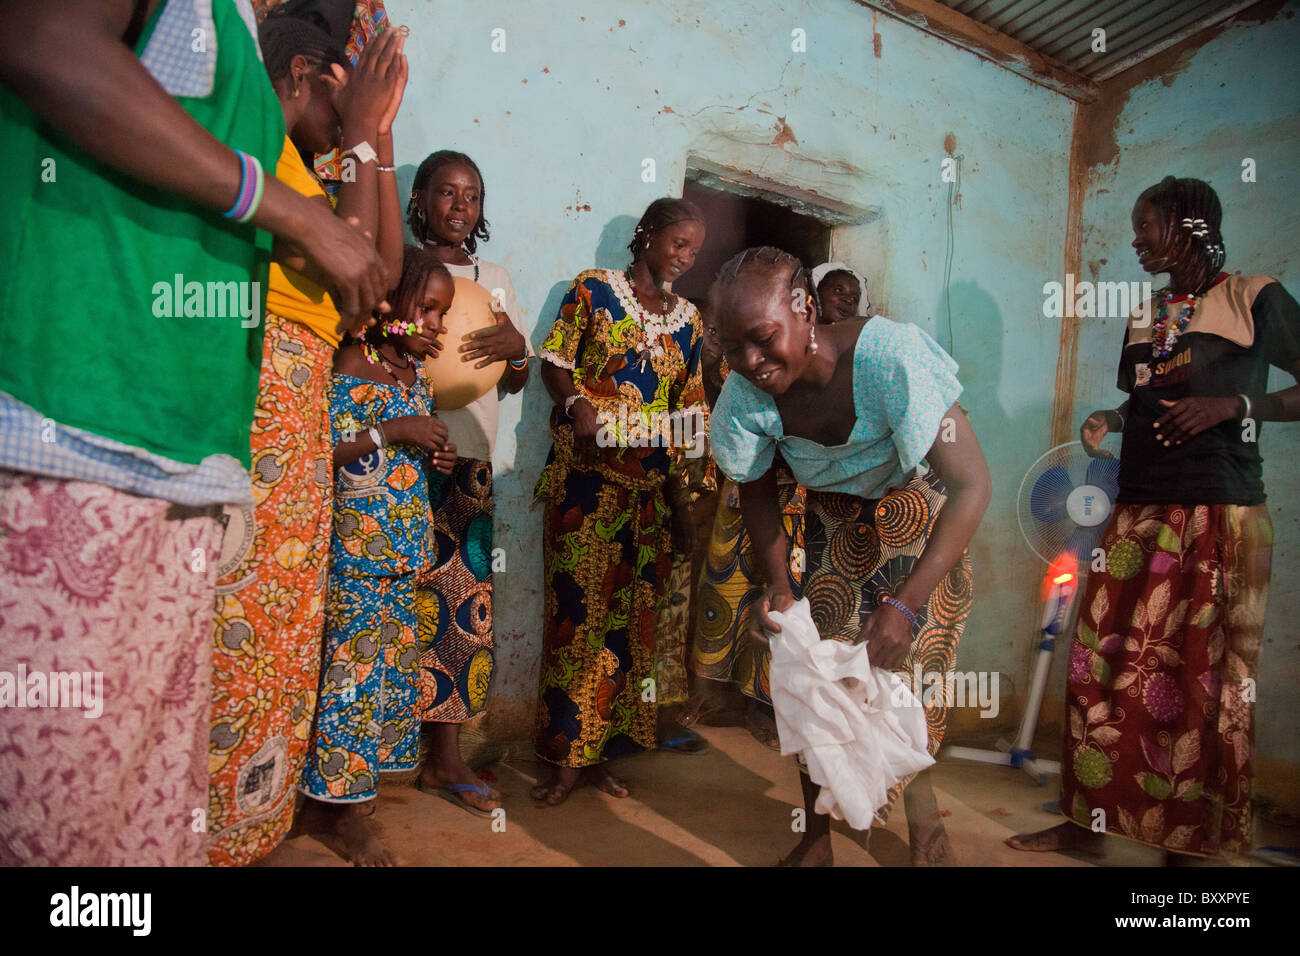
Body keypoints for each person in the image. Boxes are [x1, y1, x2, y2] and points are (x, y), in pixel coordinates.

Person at [0, 0, 386, 867]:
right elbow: (41, 40)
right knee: (52, 824)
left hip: (179, 464)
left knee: (136, 824)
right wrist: (289, 211)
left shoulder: (239, 36)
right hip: (69, 434)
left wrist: (292, 220)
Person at [1008, 177, 1300, 861]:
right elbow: (1146, 398)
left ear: (1190, 225)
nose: (1136, 239)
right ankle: (1087, 829)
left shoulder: (1252, 297)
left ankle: (1188, 844)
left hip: (1218, 515)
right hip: (1137, 513)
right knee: (1097, 666)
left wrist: (1237, 407)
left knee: (1202, 680)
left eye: (1148, 225)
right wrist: (1109, 418)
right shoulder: (1150, 311)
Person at [709, 246, 990, 866]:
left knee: (905, 691)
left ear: (805, 310)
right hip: (834, 528)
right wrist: (779, 586)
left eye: (762, 339)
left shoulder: (891, 358)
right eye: (733, 350)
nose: (750, 364)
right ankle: (815, 842)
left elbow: (972, 485)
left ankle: (923, 826)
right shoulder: (744, 396)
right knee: (818, 682)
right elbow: (756, 493)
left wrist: (905, 605)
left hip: (920, 523)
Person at [207, 10, 407, 866]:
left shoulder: (308, 172)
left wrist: (376, 145)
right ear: (298, 74)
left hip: (298, 432)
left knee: (284, 631)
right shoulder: (252, 149)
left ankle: (249, 826)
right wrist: (359, 138)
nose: (344, 131)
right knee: (234, 627)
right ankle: (203, 832)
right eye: (340, 104)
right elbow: (351, 260)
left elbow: (381, 277)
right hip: (258, 419)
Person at [530, 197, 707, 804]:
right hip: (587, 485)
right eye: (678, 243)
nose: (685, 258)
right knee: (575, 623)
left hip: (651, 499)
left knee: (632, 634)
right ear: (647, 235)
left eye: (694, 250)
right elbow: (553, 362)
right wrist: (575, 402)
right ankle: (564, 759)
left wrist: (682, 498)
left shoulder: (690, 322)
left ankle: (603, 756)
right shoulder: (593, 291)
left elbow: (692, 412)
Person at [296, 244, 456, 865]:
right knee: (349, 679)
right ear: (393, 306)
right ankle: (343, 818)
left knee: (384, 680)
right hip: (355, 554)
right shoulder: (349, 363)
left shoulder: (420, 380)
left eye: (442, 315)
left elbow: (405, 458)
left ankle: (335, 803)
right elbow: (322, 451)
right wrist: (393, 432)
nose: (439, 326)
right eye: (430, 310)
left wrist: (433, 455)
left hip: (404, 551)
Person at [406, 150, 530, 815]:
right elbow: (373, 332)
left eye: (472, 195)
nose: (460, 206)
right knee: (389, 602)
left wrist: (516, 352)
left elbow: (516, 379)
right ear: (420, 199)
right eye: (447, 193)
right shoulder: (397, 266)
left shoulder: (497, 281)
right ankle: (370, 751)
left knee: (462, 608)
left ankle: (444, 760)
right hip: (399, 455)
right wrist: (407, 330)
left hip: (470, 462)